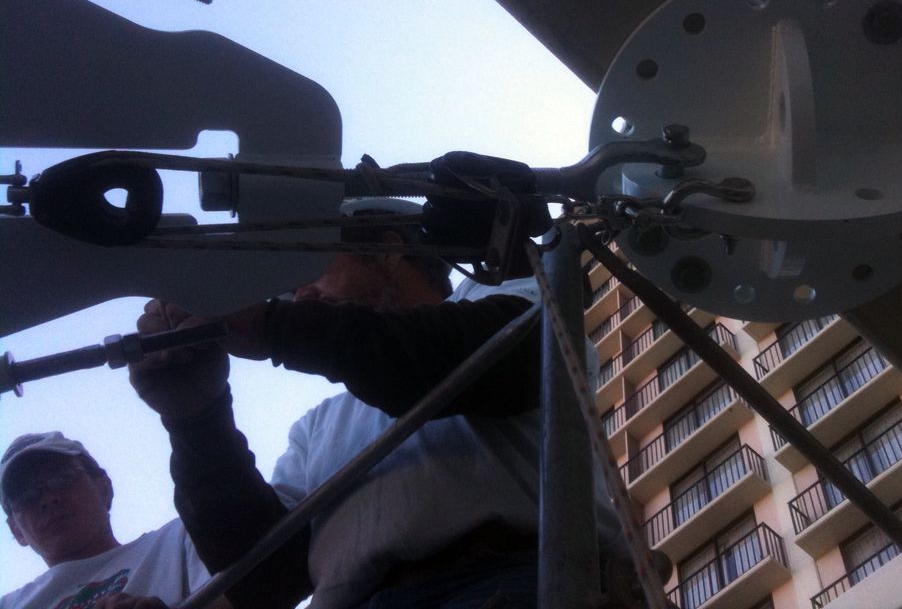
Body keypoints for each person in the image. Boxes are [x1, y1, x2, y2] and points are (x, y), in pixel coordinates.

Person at [130, 199, 621, 609]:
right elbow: (263, 579)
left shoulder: (520, 299)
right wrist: (197, 418)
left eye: (308, 270)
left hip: (504, 585)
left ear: (387, 251)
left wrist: (271, 327)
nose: (298, 295)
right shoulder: (316, 427)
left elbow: (437, 358)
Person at [0, 431, 219, 609]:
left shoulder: (180, 537)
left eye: (61, 479)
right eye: (26, 497)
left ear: (104, 488)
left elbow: (238, 596)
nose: (48, 498)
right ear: (16, 530)